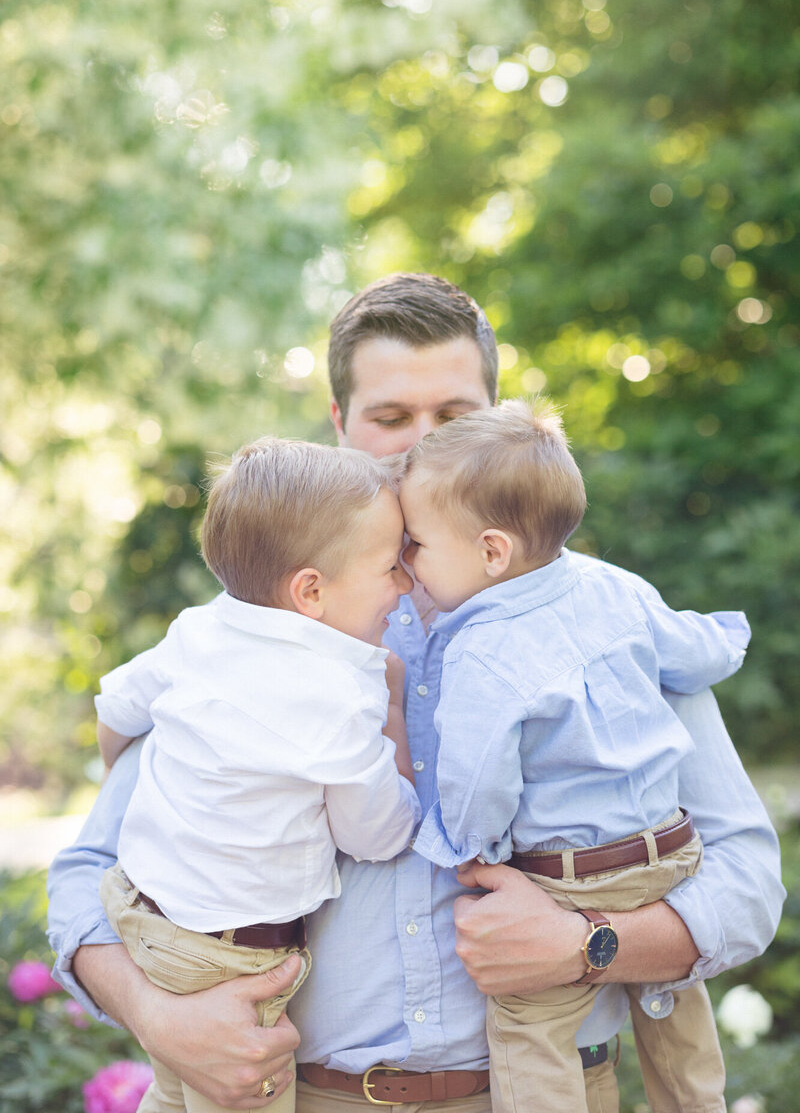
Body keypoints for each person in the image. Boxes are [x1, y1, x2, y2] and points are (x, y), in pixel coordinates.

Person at [48, 274, 784, 1113]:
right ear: (340, 425)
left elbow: (748, 877)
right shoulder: (253, 630)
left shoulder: (605, 619)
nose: (416, 445)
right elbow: (87, 875)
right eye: (389, 418)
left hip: (541, 1088)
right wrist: (159, 1015)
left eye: (456, 417)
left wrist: (590, 944)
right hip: (306, 1094)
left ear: (501, 423)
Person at [400, 399, 750, 1113]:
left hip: (576, 880)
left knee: (528, 1024)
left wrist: (473, 848)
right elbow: (685, 651)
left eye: (418, 545)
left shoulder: (481, 649)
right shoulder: (612, 585)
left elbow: (478, 777)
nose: (408, 562)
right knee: (675, 1005)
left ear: (492, 551)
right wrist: (727, 637)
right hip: (671, 855)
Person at [94, 438, 420, 1113]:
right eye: (391, 567)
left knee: (174, 1090)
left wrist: (132, 785)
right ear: (311, 592)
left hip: (145, 916)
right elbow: (377, 836)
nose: (405, 584)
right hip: (237, 961)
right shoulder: (341, 690)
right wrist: (392, 714)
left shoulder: (199, 630)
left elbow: (115, 710)